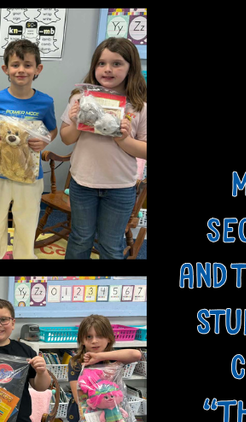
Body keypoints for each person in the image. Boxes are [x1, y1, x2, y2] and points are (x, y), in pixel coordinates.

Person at [59, 37, 148, 259]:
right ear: (94, 67)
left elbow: (144, 150)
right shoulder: (80, 99)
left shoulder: (139, 106)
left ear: (131, 68)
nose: (107, 69)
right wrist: (77, 121)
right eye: (101, 63)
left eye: (117, 63)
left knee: (111, 244)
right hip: (83, 183)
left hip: (120, 187)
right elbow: (66, 139)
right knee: (80, 238)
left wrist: (123, 138)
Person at [0, 39, 57, 260]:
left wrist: (45, 141)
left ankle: (24, 256)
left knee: (27, 219)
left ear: (38, 69)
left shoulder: (45, 102)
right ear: (6, 69)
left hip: (30, 175)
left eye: (28, 65)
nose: (21, 70)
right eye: (16, 64)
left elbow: (53, 130)